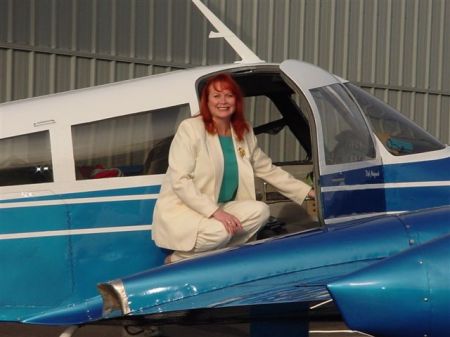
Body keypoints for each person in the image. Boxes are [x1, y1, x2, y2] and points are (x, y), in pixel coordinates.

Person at [152, 73, 314, 263]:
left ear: (237, 100)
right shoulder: (190, 129)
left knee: (261, 211)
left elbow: (267, 169)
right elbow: (180, 181)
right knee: (220, 232)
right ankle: (178, 259)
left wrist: (308, 192)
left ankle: (221, 257)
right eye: (216, 95)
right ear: (207, 100)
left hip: (221, 205)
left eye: (229, 95)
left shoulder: (243, 131)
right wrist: (215, 212)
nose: (223, 101)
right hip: (187, 209)